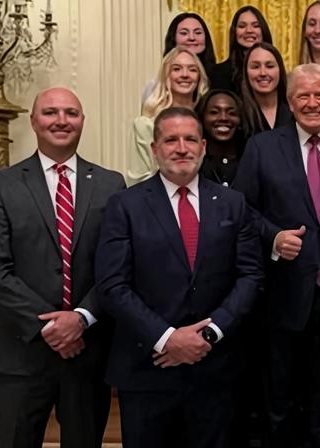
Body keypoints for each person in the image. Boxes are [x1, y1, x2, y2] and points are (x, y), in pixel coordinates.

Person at [96, 107, 263, 448]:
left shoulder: (233, 204)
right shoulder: (124, 205)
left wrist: (209, 333)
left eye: (190, 139)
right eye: (171, 140)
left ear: (203, 146)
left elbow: (250, 276)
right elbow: (113, 285)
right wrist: (167, 338)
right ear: (155, 149)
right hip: (147, 368)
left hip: (215, 367)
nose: (181, 148)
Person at [232, 63, 320, 448]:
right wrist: (274, 236)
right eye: (303, 96)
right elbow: (242, 210)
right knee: (279, 395)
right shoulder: (262, 147)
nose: (312, 103)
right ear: (290, 102)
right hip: (280, 291)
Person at [0, 87, 125, 448]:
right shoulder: (1, 184)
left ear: (82, 122)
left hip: (87, 352)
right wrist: (54, 325)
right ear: (34, 121)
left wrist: (81, 319)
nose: (61, 121)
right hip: (21, 352)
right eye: (51, 112)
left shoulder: (110, 184)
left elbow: (117, 265)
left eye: (71, 113)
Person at [130, 47, 208, 185]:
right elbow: (138, 178)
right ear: (166, 76)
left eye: (192, 69)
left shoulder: (207, 120)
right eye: (177, 69)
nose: (185, 74)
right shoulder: (147, 124)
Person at [141, 12, 218, 102]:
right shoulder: (155, 88)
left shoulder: (219, 80)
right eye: (184, 33)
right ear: (173, 38)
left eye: (198, 32)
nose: (192, 37)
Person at [212, 6, 273, 93]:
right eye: (242, 26)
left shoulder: (275, 70)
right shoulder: (218, 73)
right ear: (235, 32)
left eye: (255, 26)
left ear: (263, 31)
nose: (249, 30)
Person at [241, 42, 294, 138]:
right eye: (255, 67)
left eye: (270, 66)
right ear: (246, 72)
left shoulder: (295, 110)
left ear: (280, 70)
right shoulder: (238, 114)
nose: (263, 73)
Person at [196, 89, 246, 187]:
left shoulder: (250, 160)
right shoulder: (194, 163)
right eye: (214, 112)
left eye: (231, 113)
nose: (223, 118)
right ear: (202, 118)